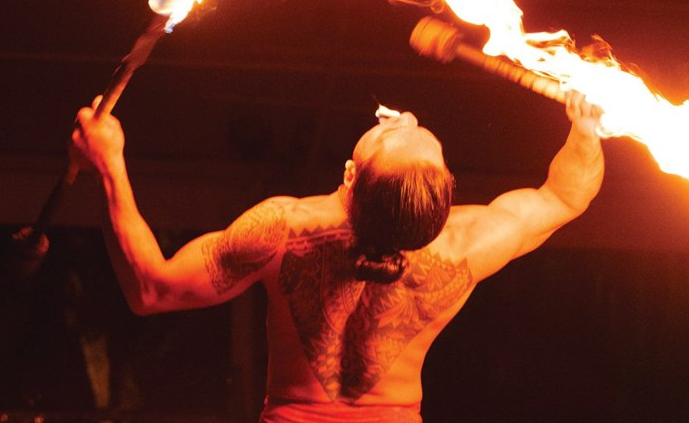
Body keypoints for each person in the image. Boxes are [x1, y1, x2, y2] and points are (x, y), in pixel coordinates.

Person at [69, 90, 604, 423]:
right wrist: (584, 132)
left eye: (401, 129)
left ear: (350, 178)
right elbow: (564, 197)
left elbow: (151, 289)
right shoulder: (466, 246)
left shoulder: (283, 231)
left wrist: (109, 165)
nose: (407, 115)